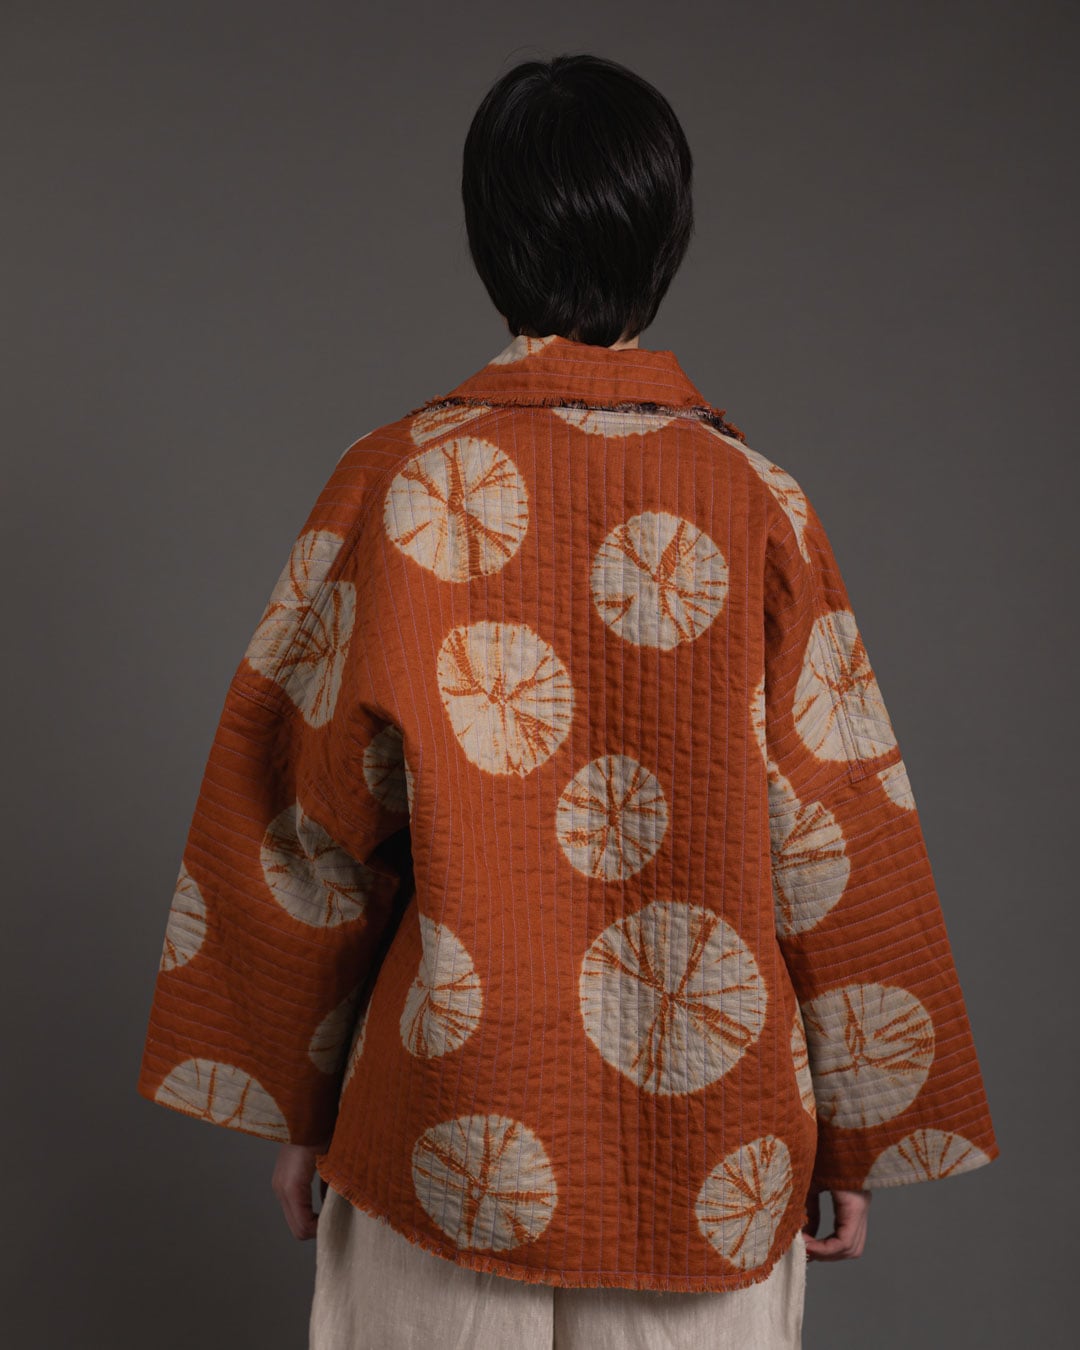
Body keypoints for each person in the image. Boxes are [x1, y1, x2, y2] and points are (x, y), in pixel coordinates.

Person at [136, 52, 999, 1349]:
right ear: (667, 239)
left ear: (488, 236)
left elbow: (303, 814)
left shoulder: (397, 482)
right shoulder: (759, 501)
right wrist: (859, 1128)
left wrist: (301, 1109)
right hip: (713, 1141)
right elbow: (836, 825)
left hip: (441, 1118)